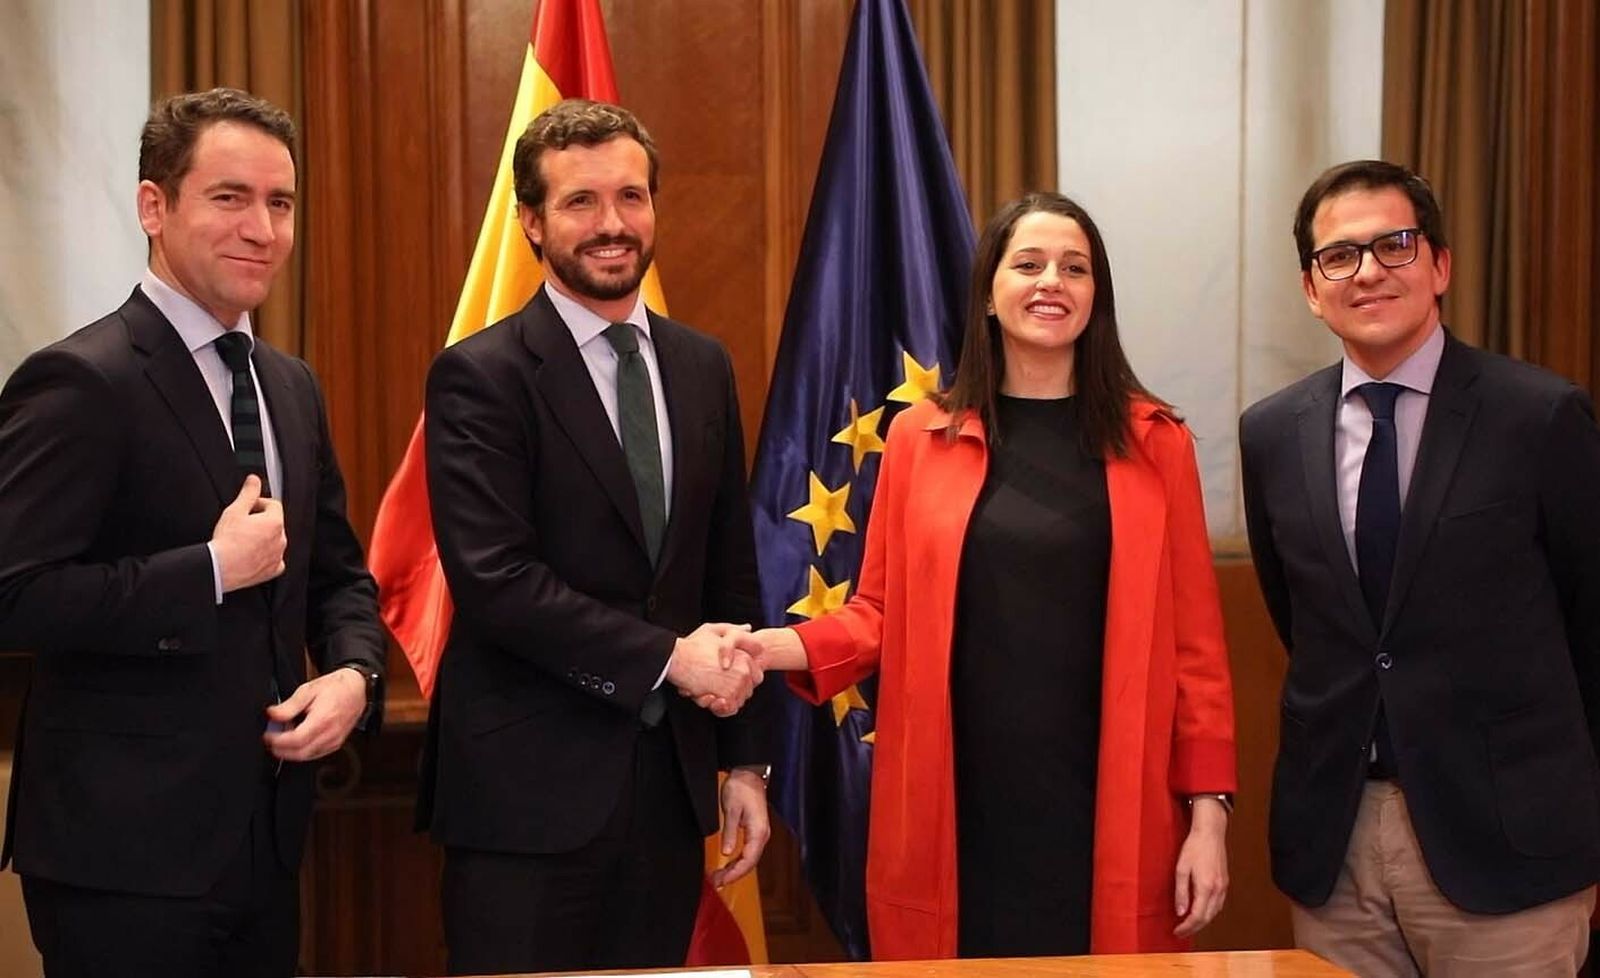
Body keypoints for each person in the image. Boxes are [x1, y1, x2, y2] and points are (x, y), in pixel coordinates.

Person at [751, 191, 1236, 958]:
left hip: (1109, 805)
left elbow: (1197, 655)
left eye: (1075, 268)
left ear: (1096, 297)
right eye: (1029, 264)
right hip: (956, 802)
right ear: (988, 291)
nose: (1052, 281)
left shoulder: (1155, 443)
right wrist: (776, 648)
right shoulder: (920, 437)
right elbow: (880, 609)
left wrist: (1208, 817)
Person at [0, 88, 386, 978]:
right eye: (228, 197)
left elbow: (340, 577)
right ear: (153, 207)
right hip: (120, 860)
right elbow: (14, 595)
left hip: (269, 842)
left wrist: (355, 676)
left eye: (279, 203)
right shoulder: (78, 380)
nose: (261, 228)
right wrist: (209, 570)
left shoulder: (292, 386)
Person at [415, 98, 772, 975]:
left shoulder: (702, 364)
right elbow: (498, 582)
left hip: (667, 795)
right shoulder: (480, 376)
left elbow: (728, 571)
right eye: (580, 202)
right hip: (525, 804)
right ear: (532, 223)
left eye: (632, 197)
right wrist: (667, 659)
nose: (612, 224)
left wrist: (745, 766)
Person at [1240, 159, 1600, 976]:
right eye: (1340, 255)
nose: (1367, 271)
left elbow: (1592, 626)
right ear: (1310, 286)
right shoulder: (1271, 434)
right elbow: (1301, 619)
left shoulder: (1539, 417)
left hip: (1511, 845)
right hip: (1336, 842)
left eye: (1394, 245)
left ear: (1440, 265)